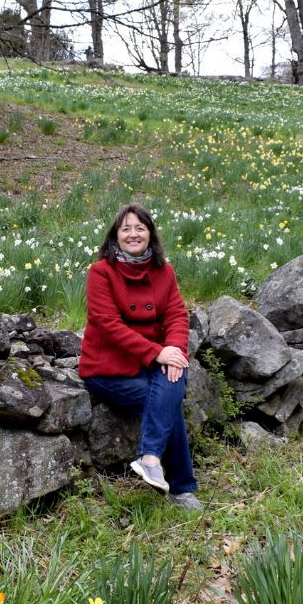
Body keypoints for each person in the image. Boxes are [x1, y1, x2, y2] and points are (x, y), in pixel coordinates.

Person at [78, 204, 202, 511]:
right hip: (109, 368)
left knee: (173, 377)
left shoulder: (164, 271)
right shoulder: (101, 273)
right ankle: (182, 488)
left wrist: (172, 351)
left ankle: (150, 461)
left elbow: (176, 315)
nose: (133, 234)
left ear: (150, 234)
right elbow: (108, 325)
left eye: (140, 228)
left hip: (153, 360)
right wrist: (158, 352)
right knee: (163, 399)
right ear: (115, 236)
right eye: (126, 229)